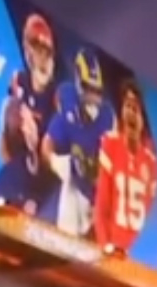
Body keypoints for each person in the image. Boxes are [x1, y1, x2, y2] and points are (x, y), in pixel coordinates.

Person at [0, 12, 63, 218]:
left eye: (47, 52)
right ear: (28, 52)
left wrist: (39, 146)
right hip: (22, 167)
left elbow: (54, 159)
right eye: (38, 50)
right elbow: (3, 141)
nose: (43, 58)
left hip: (46, 183)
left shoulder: (58, 97)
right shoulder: (20, 81)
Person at [46, 47, 113, 238]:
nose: (93, 97)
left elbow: (110, 172)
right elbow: (47, 143)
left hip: (95, 197)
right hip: (73, 188)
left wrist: (94, 171)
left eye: (97, 91)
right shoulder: (67, 102)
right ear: (78, 85)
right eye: (88, 89)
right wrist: (57, 162)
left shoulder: (107, 118)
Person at [93, 78, 157, 252]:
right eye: (127, 105)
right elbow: (101, 206)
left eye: (135, 108)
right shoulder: (111, 144)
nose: (130, 112)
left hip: (138, 258)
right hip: (114, 249)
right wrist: (106, 247)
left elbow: (154, 222)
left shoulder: (152, 162)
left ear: (143, 118)